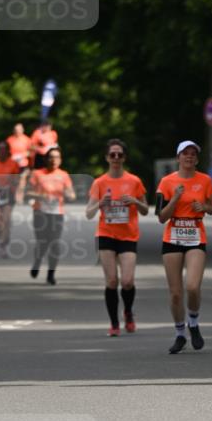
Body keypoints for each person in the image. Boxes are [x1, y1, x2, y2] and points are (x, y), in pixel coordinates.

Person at [156, 140, 212, 354]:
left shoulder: (205, 180)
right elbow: (161, 217)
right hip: (172, 237)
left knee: (192, 287)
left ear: (197, 159)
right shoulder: (166, 182)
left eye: (193, 154)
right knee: (175, 293)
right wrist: (175, 198)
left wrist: (204, 207)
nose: (189, 156)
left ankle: (193, 322)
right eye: (185, 153)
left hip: (195, 236)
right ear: (178, 158)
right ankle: (180, 334)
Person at [85, 138, 148, 336]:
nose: (116, 158)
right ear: (107, 157)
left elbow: (146, 210)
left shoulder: (134, 181)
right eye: (112, 154)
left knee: (127, 281)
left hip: (128, 235)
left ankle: (128, 312)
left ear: (124, 157)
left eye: (119, 154)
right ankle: (114, 324)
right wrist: (100, 204)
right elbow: (88, 213)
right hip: (106, 234)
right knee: (112, 281)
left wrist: (135, 201)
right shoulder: (99, 183)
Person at [25, 146, 75, 284]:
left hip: (57, 213)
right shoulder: (37, 173)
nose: (54, 160)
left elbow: (71, 194)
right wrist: (41, 195)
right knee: (42, 242)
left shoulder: (64, 175)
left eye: (57, 157)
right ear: (46, 159)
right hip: (40, 213)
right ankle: (37, 261)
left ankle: (51, 274)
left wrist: (69, 195)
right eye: (51, 157)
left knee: (55, 243)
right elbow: (27, 192)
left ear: (60, 160)